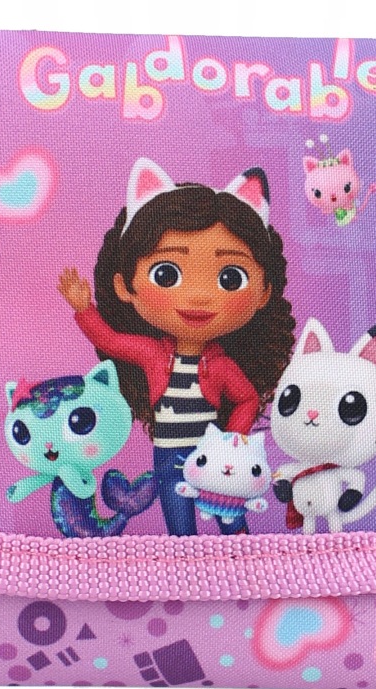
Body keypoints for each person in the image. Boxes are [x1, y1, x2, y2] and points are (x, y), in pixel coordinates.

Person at [58, 158, 295, 536]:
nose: (199, 296)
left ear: (264, 292)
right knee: (180, 530)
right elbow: (110, 341)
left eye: (230, 278)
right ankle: (185, 566)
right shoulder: (152, 354)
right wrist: (83, 308)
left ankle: (243, 563)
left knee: (232, 522)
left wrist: (232, 439)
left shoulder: (219, 366)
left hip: (216, 459)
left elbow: (247, 399)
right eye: (166, 274)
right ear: (124, 286)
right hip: (168, 457)